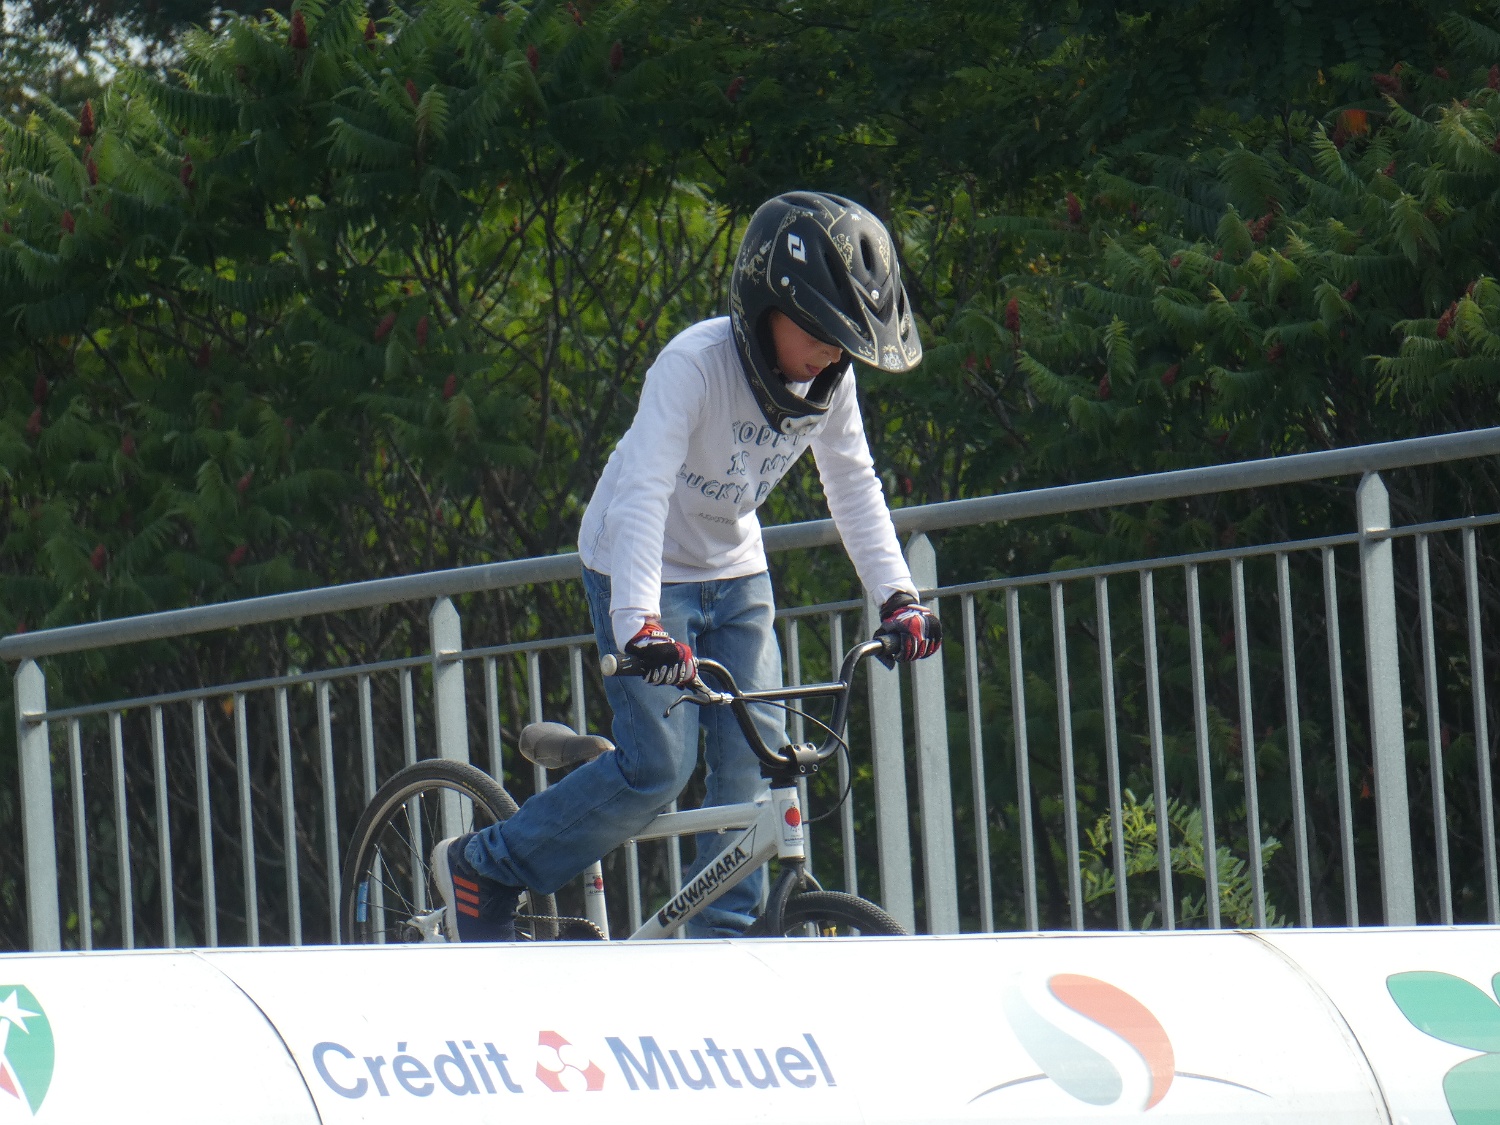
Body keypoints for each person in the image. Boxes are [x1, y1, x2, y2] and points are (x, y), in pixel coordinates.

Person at [431, 191, 942, 941]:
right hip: (639, 566)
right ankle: (486, 864)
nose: (830, 355)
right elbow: (643, 491)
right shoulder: (694, 366)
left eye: (843, 342)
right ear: (764, 308)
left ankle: (721, 939)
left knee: (757, 762)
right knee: (659, 767)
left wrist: (899, 597)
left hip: (734, 569)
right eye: (818, 334)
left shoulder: (830, 385)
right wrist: (638, 621)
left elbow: (854, 485)